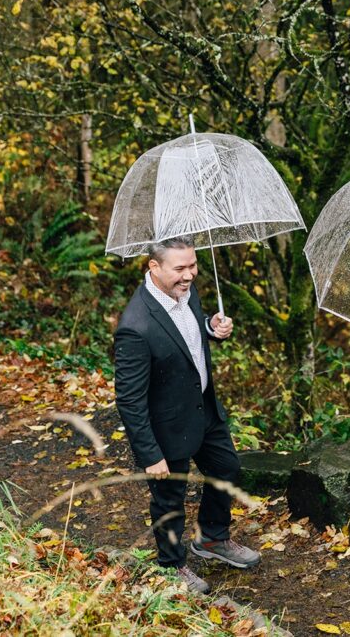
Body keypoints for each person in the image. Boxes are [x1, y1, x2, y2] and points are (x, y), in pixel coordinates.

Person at [113, 236, 260, 594]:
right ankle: (171, 565)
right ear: (154, 267)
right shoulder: (135, 326)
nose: (190, 274)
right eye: (180, 268)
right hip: (167, 425)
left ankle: (211, 539)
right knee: (170, 498)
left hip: (205, 410)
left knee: (226, 470)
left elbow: (188, 336)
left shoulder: (186, 292)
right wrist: (150, 454)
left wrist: (212, 327)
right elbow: (129, 399)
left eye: (192, 265)